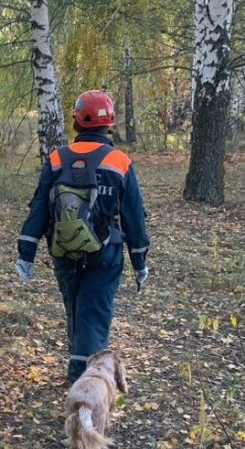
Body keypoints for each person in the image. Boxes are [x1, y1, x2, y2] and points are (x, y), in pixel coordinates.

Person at [15, 90, 150, 384]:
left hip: (64, 250)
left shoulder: (56, 159)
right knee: (94, 317)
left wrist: (26, 252)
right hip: (106, 254)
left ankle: (78, 374)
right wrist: (140, 261)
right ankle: (83, 387)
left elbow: (40, 206)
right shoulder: (119, 161)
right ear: (110, 123)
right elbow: (134, 217)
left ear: (76, 121)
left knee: (77, 311)